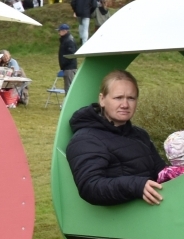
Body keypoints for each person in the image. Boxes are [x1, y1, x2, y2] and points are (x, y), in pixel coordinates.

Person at [65, 69, 166, 206]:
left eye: (131, 98)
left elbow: (162, 173)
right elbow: (90, 187)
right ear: (102, 99)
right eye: (118, 98)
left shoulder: (140, 135)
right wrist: (136, 185)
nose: (125, 105)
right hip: (117, 223)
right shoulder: (86, 139)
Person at [57, 24, 77, 91]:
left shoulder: (69, 41)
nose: (59, 32)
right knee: (67, 87)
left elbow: (71, 55)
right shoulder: (65, 40)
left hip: (69, 68)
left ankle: (70, 101)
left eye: (60, 31)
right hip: (67, 68)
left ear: (65, 31)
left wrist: (64, 63)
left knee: (69, 88)